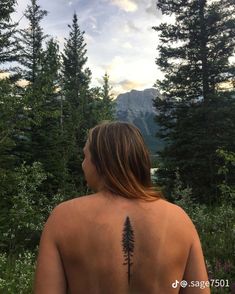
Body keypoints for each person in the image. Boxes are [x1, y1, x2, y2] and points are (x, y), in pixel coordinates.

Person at [34, 121, 210, 294]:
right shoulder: (179, 219)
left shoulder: (63, 217)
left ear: (100, 162)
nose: (82, 164)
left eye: (85, 156)